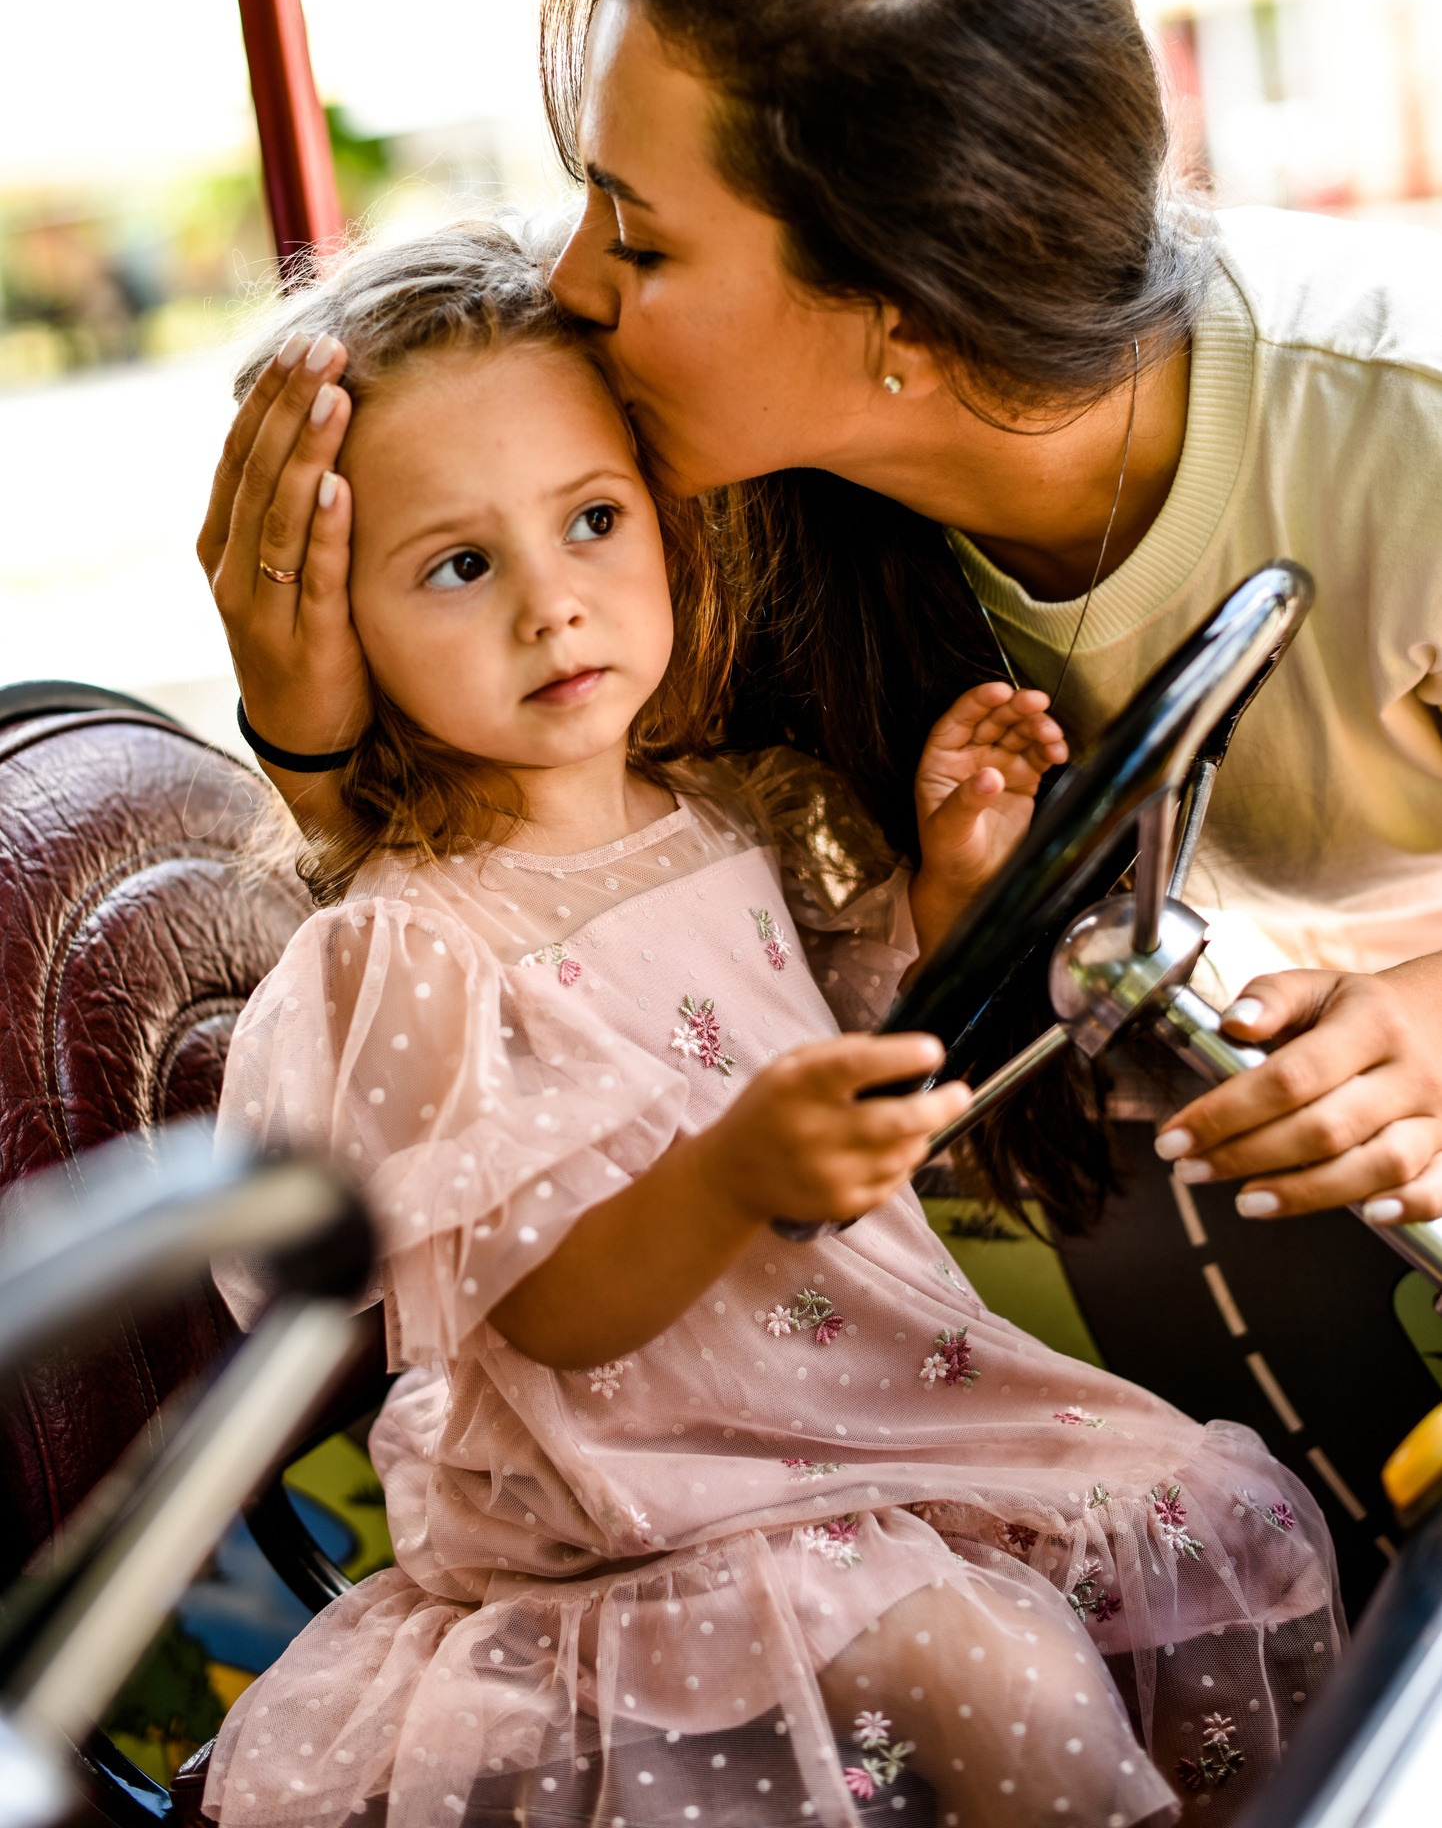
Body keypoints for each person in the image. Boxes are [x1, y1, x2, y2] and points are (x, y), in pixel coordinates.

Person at [203, 225, 1338, 1828]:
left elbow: (836, 1047)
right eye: (459, 566)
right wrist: (732, 1174)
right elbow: (545, 1312)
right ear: (340, 626)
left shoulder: (722, 816)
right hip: (653, 1488)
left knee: (1208, 1511)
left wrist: (949, 891)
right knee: (999, 1678)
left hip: (856, 1403)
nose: (553, 607)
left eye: (591, 522)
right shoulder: (409, 947)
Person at [200, 0, 1442, 1241]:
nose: (573, 278)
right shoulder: (674, 462)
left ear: (904, 313)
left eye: (640, 237)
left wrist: (1423, 1020)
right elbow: (508, 900)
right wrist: (311, 739)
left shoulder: (1404, 433)